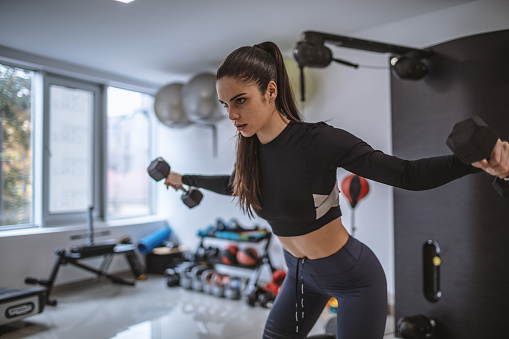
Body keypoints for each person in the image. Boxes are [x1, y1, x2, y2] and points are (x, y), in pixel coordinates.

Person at [165, 42, 509, 339]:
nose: (231, 115)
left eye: (240, 100)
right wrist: (186, 178)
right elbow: (236, 185)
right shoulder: (252, 152)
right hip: (299, 275)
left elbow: (407, 174)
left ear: (270, 91)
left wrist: (472, 162)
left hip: (353, 278)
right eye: (226, 105)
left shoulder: (317, 141)